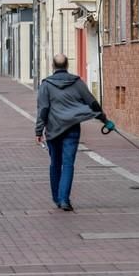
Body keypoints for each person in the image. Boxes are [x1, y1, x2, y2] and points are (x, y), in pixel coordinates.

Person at [35, 54, 108, 212]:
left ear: (53, 66)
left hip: (53, 131)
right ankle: (64, 200)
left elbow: (43, 109)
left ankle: (57, 197)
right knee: (68, 164)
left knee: (55, 164)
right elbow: (92, 102)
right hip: (72, 129)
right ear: (67, 65)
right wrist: (104, 120)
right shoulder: (77, 82)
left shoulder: (46, 85)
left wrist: (38, 130)